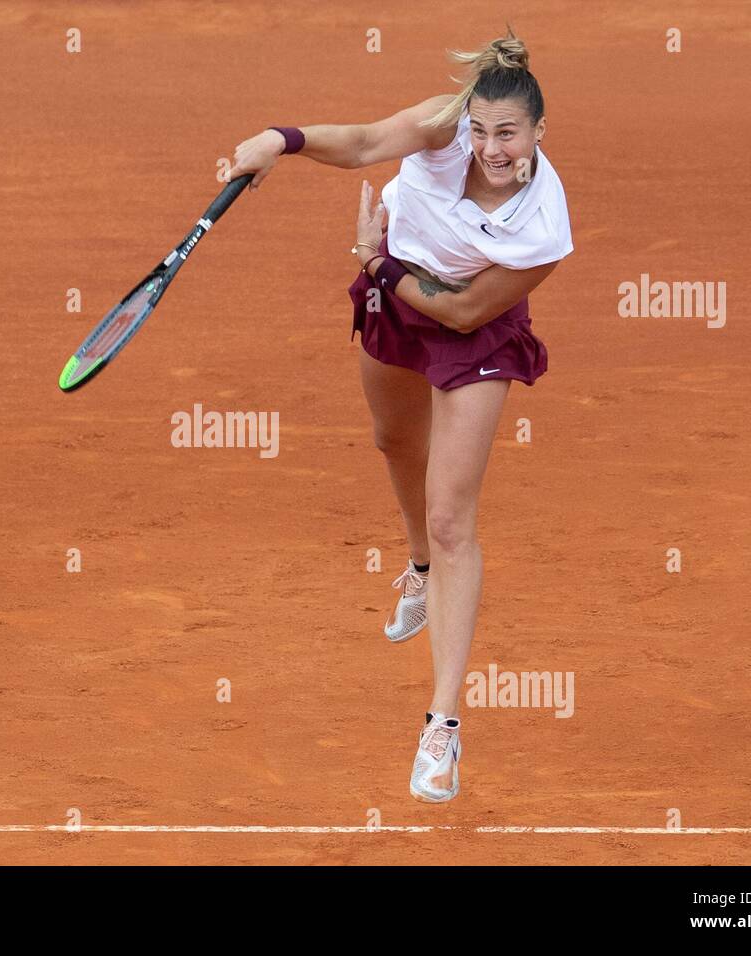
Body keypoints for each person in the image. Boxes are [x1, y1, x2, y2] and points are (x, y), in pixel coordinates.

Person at [227, 30, 573, 802]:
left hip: (468, 326)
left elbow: (462, 312)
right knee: (393, 441)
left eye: (507, 133)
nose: (488, 146)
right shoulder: (442, 124)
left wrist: (377, 260)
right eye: (480, 128)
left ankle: (442, 728)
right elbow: (360, 146)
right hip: (394, 297)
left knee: (456, 520)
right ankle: (417, 569)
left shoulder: (545, 225)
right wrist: (277, 140)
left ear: (539, 134)